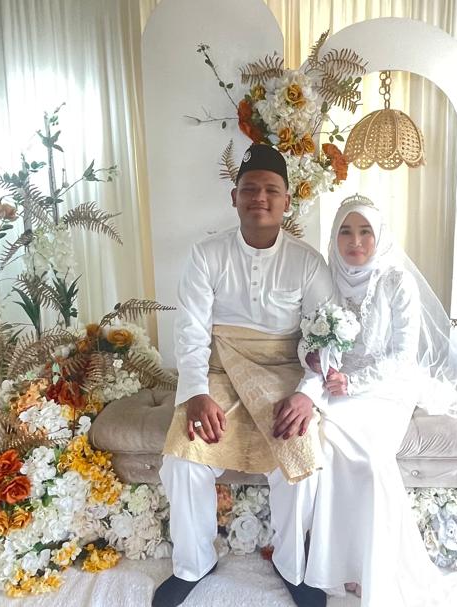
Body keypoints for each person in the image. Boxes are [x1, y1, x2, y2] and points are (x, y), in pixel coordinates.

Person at [152, 144, 336, 607]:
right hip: (219, 370)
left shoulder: (308, 262)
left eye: (271, 189)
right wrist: (196, 393)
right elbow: (191, 332)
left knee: (301, 451)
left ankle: (294, 567)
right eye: (250, 189)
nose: (260, 198)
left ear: (287, 201)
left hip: (285, 372)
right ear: (234, 197)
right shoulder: (206, 255)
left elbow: (325, 337)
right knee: (184, 457)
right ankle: (194, 564)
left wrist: (308, 394)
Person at [302, 194, 457, 606]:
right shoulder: (326, 278)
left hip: (387, 388)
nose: (355, 242)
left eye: (365, 231)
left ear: (379, 235)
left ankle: (372, 566)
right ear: (334, 236)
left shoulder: (396, 281)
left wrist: (353, 381)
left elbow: (402, 355)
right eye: (345, 231)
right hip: (336, 388)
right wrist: (315, 361)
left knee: (370, 460)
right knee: (325, 447)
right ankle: (339, 566)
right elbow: (309, 338)